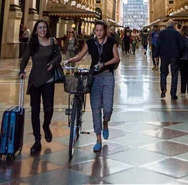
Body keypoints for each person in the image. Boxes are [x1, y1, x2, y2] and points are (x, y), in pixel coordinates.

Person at [69, 20, 120, 153]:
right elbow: (80, 56)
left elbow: (117, 58)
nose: (99, 33)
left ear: (105, 31)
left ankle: (105, 123)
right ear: (94, 31)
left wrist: (104, 64)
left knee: (108, 108)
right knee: (96, 109)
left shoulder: (111, 42)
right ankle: (98, 139)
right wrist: (71, 60)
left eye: (101, 30)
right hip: (94, 78)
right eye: (96, 30)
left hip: (108, 76)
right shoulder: (90, 43)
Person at [19, 20, 62, 155]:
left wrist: (54, 62)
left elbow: (59, 56)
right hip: (35, 80)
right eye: (40, 28)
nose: (42, 30)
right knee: (35, 110)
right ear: (36, 30)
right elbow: (25, 58)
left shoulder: (53, 41)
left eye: (44, 27)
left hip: (48, 79)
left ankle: (46, 125)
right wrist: (21, 70)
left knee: (49, 108)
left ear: (47, 29)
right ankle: (37, 140)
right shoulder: (33, 43)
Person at [155, 19, 185, 100]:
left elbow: (158, 45)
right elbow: (181, 46)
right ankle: (173, 94)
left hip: (164, 56)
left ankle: (163, 89)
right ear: (174, 26)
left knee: (163, 73)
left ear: (166, 26)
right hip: (174, 56)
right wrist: (180, 55)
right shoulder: (177, 34)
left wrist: (156, 56)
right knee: (174, 74)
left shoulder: (161, 33)